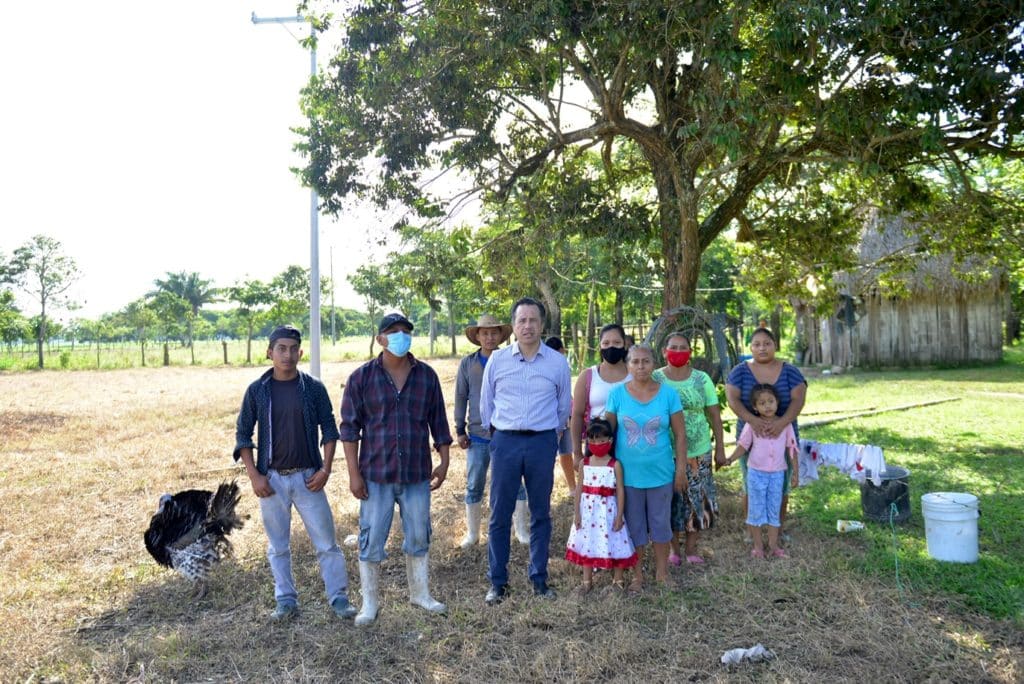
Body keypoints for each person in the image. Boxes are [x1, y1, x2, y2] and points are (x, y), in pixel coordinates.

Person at [233, 325, 357, 622]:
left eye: (293, 349)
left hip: (308, 478)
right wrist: (255, 476)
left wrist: (325, 469)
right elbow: (242, 434)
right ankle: (286, 600)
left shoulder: (313, 388)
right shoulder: (258, 391)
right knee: (278, 546)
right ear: (270, 352)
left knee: (327, 543)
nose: (287, 355)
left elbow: (329, 429)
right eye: (281, 349)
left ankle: (339, 598)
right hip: (271, 480)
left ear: (300, 352)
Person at [339, 312, 452, 626]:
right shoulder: (361, 378)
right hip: (376, 475)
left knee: (419, 534)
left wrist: (444, 461)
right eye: (394, 331)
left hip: (417, 474)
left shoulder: (427, 376)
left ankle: (420, 593)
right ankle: (369, 603)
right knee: (371, 537)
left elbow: (439, 423)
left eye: (406, 331)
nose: (401, 335)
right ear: (380, 339)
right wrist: (353, 474)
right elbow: (349, 430)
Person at [480, 297, 571, 605]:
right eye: (522, 321)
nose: (528, 326)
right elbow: (486, 405)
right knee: (499, 514)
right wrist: (499, 436)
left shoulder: (557, 363)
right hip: (504, 441)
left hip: (542, 442)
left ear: (541, 324)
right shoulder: (498, 360)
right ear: (514, 326)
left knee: (541, 512)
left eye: (533, 320)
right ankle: (498, 582)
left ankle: (539, 578)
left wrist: (550, 436)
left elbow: (563, 407)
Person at [603, 344, 688, 593]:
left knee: (661, 524)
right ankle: (638, 576)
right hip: (627, 475)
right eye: (635, 362)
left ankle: (662, 573)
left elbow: (680, 435)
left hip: (660, 473)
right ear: (627, 365)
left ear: (654, 363)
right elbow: (607, 433)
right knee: (635, 526)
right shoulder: (617, 394)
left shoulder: (668, 394)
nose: (641, 366)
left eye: (646, 361)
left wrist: (680, 469)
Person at [724, 327, 807, 541]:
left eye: (767, 343)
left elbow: (798, 399)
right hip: (751, 436)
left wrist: (781, 422)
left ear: (775, 345)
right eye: (757, 344)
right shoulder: (740, 371)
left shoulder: (790, 371)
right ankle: (752, 532)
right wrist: (753, 420)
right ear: (750, 347)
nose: (762, 347)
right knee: (751, 484)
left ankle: (776, 530)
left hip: (785, 434)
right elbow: (732, 398)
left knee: (781, 484)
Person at [453, 314, 528, 548]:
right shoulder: (468, 363)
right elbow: (460, 396)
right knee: (474, 482)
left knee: (515, 482)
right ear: (477, 336)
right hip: (477, 435)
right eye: (484, 333)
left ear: (501, 336)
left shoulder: (511, 360)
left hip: (507, 433)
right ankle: (473, 533)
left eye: (494, 332)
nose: (489, 337)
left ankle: (522, 530)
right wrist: (459, 429)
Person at [653, 332, 725, 566]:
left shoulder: (701, 378)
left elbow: (714, 414)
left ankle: (692, 548)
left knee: (697, 499)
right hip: (665, 451)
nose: (678, 351)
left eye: (683, 347)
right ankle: (674, 549)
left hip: (699, 449)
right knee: (671, 500)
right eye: (673, 347)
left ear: (690, 353)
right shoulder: (655, 378)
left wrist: (720, 448)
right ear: (664, 351)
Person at [565, 418, 637, 594]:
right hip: (588, 513)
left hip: (609, 512)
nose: (598, 443)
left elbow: (620, 490)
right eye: (594, 439)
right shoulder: (585, 464)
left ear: (610, 441)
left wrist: (619, 515)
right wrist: (577, 513)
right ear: (588, 441)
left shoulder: (615, 464)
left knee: (616, 541)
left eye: (602, 440)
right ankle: (586, 581)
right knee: (588, 542)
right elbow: (579, 489)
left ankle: (618, 580)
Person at [726, 384, 799, 558]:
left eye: (771, 401)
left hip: (777, 474)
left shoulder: (785, 425)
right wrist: (730, 459)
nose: (767, 406)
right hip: (756, 474)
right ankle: (758, 547)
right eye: (762, 403)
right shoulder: (752, 425)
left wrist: (796, 472)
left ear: (777, 402)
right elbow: (743, 446)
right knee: (756, 510)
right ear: (755, 407)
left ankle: (773, 546)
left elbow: (792, 449)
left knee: (774, 509)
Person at [570, 324, 631, 470]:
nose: (611, 347)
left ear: (625, 345)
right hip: (597, 443)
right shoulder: (588, 376)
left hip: (631, 443)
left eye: (617, 343)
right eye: (606, 343)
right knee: (598, 490)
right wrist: (577, 453)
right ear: (600, 346)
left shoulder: (635, 374)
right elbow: (577, 415)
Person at [544, 335, 577, 491]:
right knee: (549, 456)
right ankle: (546, 488)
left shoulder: (563, 365)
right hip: (553, 419)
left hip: (566, 415)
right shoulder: (548, 368)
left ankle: (572, 487)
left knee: (566, 452)